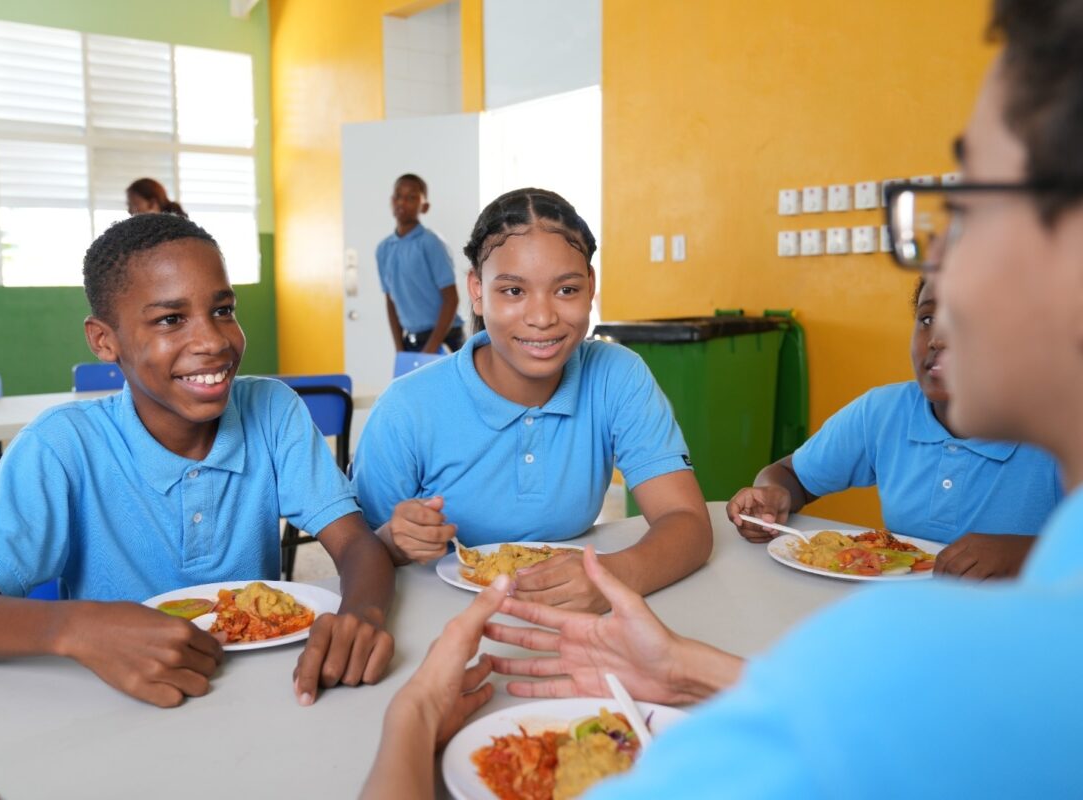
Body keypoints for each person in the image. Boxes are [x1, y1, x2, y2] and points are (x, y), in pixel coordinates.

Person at [360, 1, 1083, 796]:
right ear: (476, 292)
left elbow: (848, 718)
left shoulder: (908, 653)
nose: (935, 261)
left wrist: (412, 720)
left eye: (967, 204)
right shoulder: (966, 637)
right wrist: (688, 670)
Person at [0, 213, 395, 709]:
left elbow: (355, 543)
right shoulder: (64, 445)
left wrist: (361, 617)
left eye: (223, 310)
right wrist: (76, 627)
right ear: (104, 340)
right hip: (117, 705)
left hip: (260, 695)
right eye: (170, 319)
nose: (214, 341)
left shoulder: (273, 411)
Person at [353, 188, 712, 613]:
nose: (542, 318)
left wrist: (611, 578)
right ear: (477, 290)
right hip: (439, 626)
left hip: (570, 625)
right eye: (512, 291)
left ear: (590, 287)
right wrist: (395, 540)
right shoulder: (408, 407)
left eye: (566, 290)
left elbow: (687, 522)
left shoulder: (618, 376)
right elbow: (359, 556)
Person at [727, 275, 1061, 579]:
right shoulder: (884, 412)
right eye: (927, 319)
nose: (937, 340)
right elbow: (792, 475)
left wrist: (1024, 554)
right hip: (909, 617)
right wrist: (771, 497)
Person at [376, 173, 465, 354]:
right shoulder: (384, 249)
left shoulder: (431, 243)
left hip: (445, 339)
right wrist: (399, 349)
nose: (402, 202)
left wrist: (431, 348)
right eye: (398, 196)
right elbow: (390, 302)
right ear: (392, 201)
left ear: (424, 206)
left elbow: (451, 299)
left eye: (411, 197)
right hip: (412, 342)